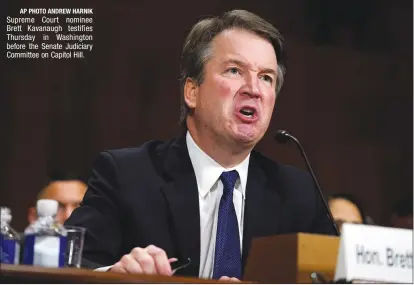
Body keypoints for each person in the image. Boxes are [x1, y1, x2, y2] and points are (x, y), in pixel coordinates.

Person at [65, 9, 337, 280]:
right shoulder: (127, 175)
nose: (253, 89)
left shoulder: (298, 193)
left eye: (266, 77)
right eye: (234, 71)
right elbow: (67, 265)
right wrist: (116, 274)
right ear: (192, 92)